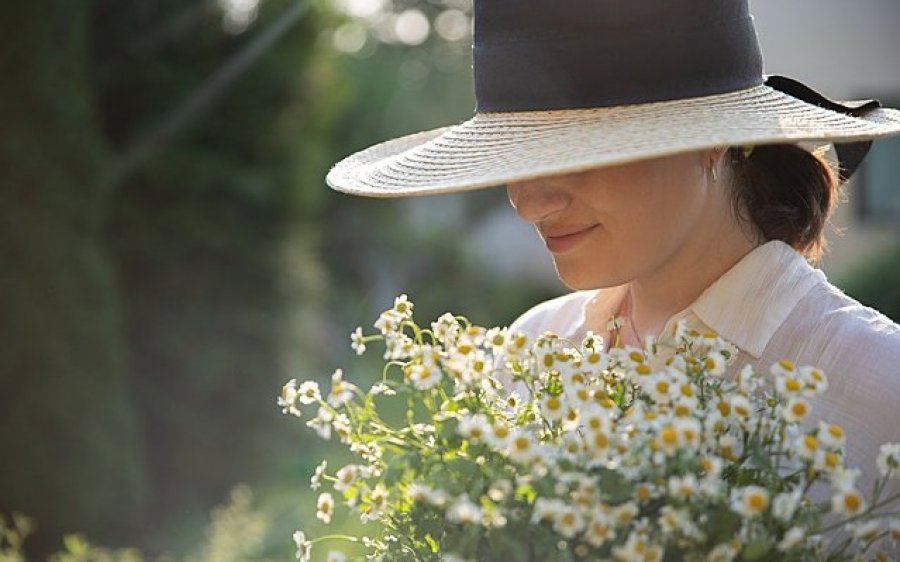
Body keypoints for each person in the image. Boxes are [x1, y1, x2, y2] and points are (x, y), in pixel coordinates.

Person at [326, 0, 900, 546]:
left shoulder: (880, 389)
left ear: (712, 140)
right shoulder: (530, 351)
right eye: (514, 156)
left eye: (578, 153)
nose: (527, 204)